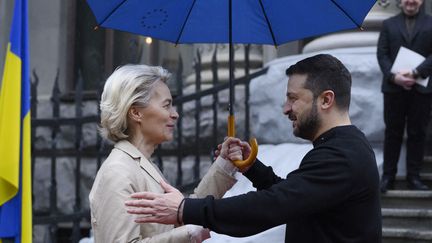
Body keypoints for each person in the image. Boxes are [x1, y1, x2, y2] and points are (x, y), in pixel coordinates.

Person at [124, 54, 382, 243]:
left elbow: (272, 206)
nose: (285, 108)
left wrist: (185, 208)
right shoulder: (343, 147)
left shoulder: (341, 156)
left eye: (293, 98)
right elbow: (297, 198)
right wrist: (253, 169)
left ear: (326, 99)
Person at [89, 64, 247, 243]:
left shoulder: (140, 164)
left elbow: (179, 214)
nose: (175, 114)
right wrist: (189, 233)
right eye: (166, 106)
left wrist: (224, 164)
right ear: (135, 112)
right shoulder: (118, 171)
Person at [377, 0, 432, 192]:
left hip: (422, 89)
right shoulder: (388, 24)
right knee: (392, 133)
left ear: (421, 1)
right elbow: (382, 54)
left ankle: (414, 178)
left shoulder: (431, 22)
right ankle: (387, 178)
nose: (410, 1)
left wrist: (416, 72)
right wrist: (394, 77)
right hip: (394, 89)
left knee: (418, 134)